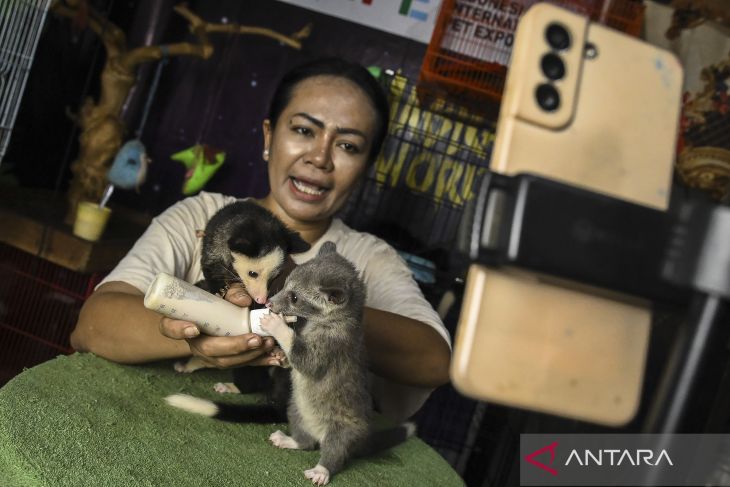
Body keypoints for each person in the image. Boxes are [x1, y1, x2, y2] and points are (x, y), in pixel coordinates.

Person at [71, 57, 451, 421]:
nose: (320, 158)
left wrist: (305, 304)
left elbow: (435, 361)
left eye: (348, 145)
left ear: (366, 167)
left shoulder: (368, 258)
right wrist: (200, 333)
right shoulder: (202, 217)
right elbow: (92, 326)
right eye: (303, 130)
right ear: (269, 136)